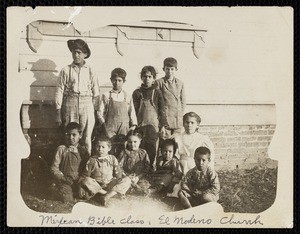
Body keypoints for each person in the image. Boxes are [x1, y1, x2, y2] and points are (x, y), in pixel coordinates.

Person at [55, 39, 100, 155]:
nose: (76, 55)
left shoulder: (91, 70)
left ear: (85, 54)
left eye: (79, 52)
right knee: (71, 134)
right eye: (74, 52)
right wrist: (58, 112)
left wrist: (94, 110)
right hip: (70, 102)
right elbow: (59, 90)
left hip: (87, 102)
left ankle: (85, 165)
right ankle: (69, 164)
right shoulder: (66, 70)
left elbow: (96, 92)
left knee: (86, 135)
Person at [132, 66, 168, 169]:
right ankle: (141, 171)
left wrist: (162, 126)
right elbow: (133, 110)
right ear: (141, 78)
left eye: (149, 76)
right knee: (141, 149)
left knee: (152, 149)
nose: (147, 79)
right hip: (140, 126)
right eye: (144, 76)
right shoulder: (137, 93)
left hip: (153, 127)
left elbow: (162, 110)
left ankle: (152, 171)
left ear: (153, 78)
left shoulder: (157, 92)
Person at [77, 137, 131, 206]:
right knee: (86, 180)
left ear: (109, 148)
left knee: (127, 180)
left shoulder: (112, 158)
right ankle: (106, 194)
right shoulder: (92, 160)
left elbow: (118, 175)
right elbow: (85, 175)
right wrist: (80, 186)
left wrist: (119, 182)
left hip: (109, 184)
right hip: (97, 185)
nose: (100, 149)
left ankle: (108, 196)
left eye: (103, 147)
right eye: (98, 146)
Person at [97, 68, 137, 157]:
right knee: (110, 148)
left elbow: (132, 111)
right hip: (110, 127)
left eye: (120, 80)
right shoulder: (106, 95)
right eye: (115, 80)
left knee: (123, 148)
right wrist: (103, 125)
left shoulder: (127, 96)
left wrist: (133, 125)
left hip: (124, 127)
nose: (117, 83)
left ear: (124, 81)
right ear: (111, 80)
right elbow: (100, 112)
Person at [50, 122, 89, 202]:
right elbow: (54, 168)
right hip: (65, 180)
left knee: (87, 195)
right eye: (68, 135)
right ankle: (57, 189)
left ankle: (75, 192)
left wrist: (82, 181)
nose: (71, 137)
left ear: (80, 136)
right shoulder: (62, 149)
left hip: (78, 180)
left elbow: (86, 169)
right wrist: (62, 178)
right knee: (67, 199)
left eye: (74, 135)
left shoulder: (83, 151)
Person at [155, 57, 186, 139]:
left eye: (172, 69)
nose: (170, 71)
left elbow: (183, 101)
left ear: (176, 69)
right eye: (167, 69)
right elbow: (156, 102)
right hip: (166, 119)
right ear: (163, 69)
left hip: (177, 119)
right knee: (166, 144)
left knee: (177, 143)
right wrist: (161, 121)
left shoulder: (180, 83)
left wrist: (180, 113)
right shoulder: (159, 82)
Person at [118, 130, 152, 195]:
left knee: (145, 185)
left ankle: (134, 188)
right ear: (127, 142)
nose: (132, 144)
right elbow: (119, 167)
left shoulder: (143, 153)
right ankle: (133, 188)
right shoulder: (124, 152)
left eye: (135, 142)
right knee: (124, 182)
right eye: (130, 142)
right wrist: (127, 176)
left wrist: (138, 177)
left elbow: (147, 168)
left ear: (140, 141)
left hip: (139, 177)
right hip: (127, 176)